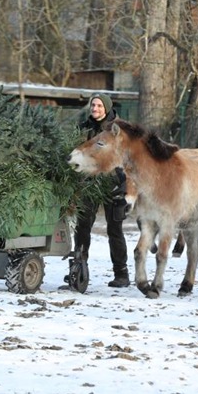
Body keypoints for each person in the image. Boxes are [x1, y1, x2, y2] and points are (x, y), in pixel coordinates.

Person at [74, 92, 130, 288]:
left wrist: (122, 181)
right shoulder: (84, 128)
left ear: (106, 107)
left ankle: (121, 274)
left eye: (99, 106)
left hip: (114, 185)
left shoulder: (118, 130)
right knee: (82, 227)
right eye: (93, 105)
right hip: (89, 184)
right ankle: (78, 270)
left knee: (114, 230)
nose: (95, 109)